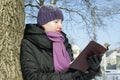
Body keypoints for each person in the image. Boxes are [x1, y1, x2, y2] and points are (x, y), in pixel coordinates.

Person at [20, 4, 103, 80]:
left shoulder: (64, 43)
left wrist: (92, 69)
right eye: (56, 22)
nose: (60, 26)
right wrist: (69, 76)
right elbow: (32, 77)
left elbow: (77, 76)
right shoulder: (29, 43)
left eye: (61, 22)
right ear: (43, 23)